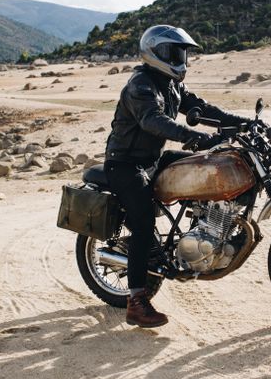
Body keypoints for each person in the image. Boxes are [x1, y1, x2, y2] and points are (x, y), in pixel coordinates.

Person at [104, 25, 252, 328]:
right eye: (174, 52)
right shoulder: (140, 84)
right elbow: (153, 120)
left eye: (182, 53)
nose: (180, 59)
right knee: (144, 225)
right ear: (155, 52)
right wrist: (195, 137)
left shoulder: (171, 84)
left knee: (210, 166)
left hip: (153, 159)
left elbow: (203, 108)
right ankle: (136, 301)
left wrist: (245, 124)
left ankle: (204, 234)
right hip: (125, 165)